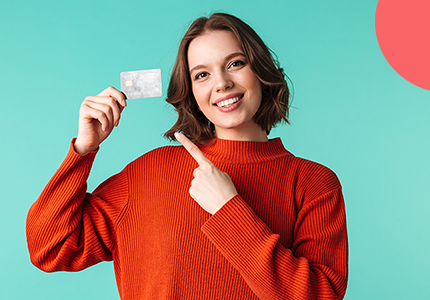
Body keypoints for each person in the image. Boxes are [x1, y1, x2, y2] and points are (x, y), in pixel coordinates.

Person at [26, 12, 348, 300]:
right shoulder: (148, 172)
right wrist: (83, 150)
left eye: (235, 63)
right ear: (191, 91)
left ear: (260, 71)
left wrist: (228, 210)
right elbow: (49, 247)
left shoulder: (313, 182)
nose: (222, 83)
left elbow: (320, 296)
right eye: (202, 75)